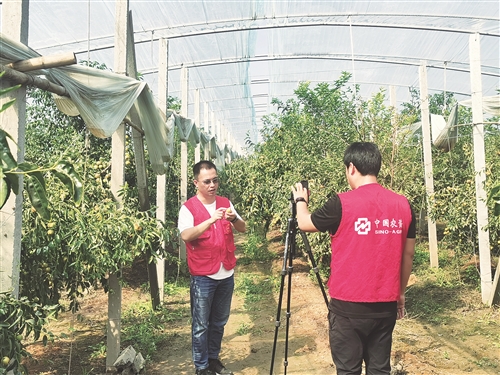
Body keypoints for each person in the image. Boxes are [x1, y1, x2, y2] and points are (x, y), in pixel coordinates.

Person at [291, 142, 416, 375]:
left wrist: (301, 201)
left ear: (351, 168)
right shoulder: (404, 205)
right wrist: (400, 294)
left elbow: (304, 223)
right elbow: (408, 254)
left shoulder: (341, 203)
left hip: (348, 307)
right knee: (379, 368)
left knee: (348, 370)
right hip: (385, 305)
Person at [178, 160, 246, 375]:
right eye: (207, 181)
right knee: (201, 325)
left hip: (226, 272)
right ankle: (201, 366)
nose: (212, 185)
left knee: (219, 321)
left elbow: (243, 228)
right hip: (203, 276)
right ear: (196, 182)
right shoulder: (188, 208)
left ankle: (213, 359)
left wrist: (234, 218)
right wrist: (209, 220)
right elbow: (186, 235)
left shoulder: (226, 203)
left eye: (215, 180)